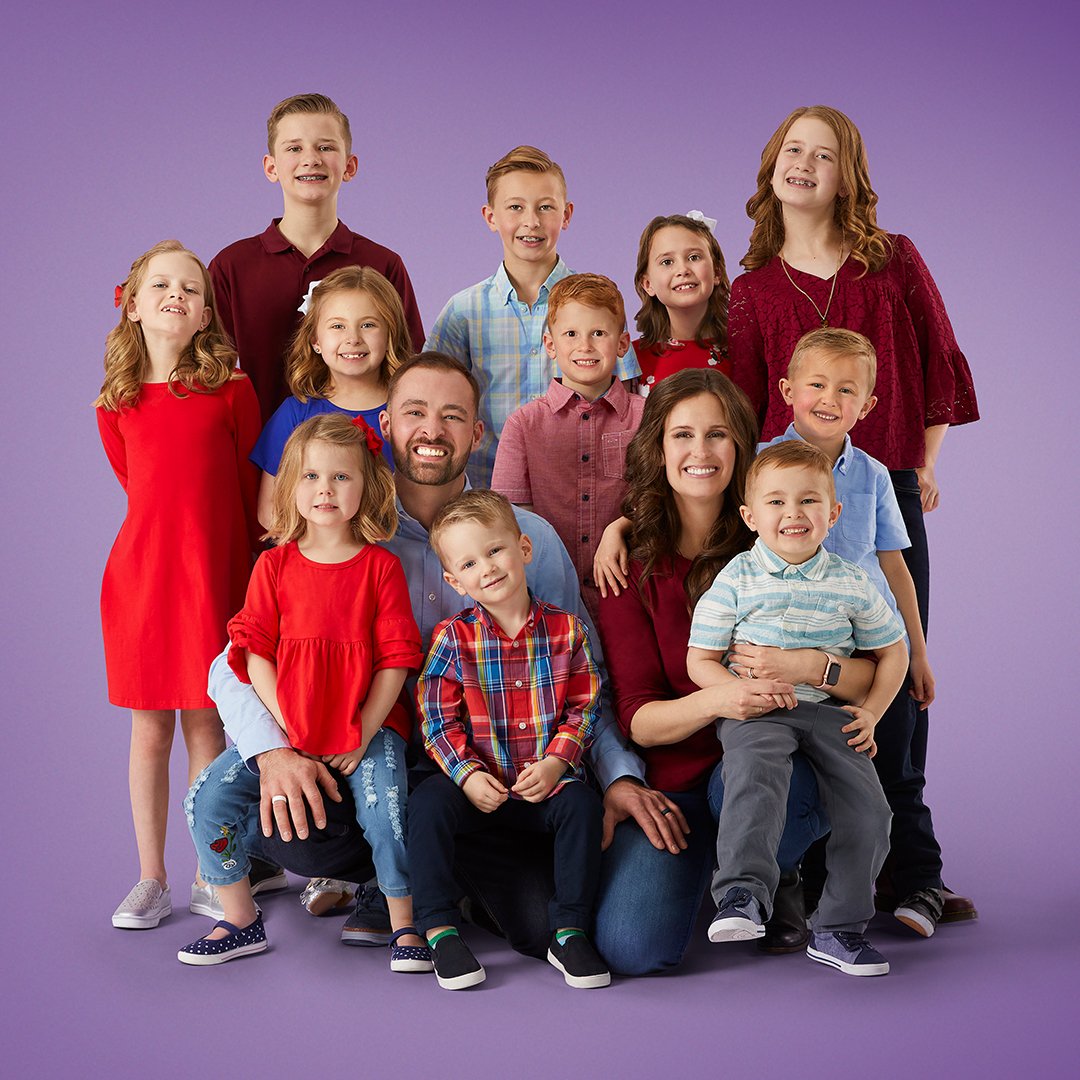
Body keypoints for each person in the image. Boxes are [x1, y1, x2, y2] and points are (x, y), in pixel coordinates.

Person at [194, 353, 682, 972]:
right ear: (387, 425)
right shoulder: (341, 534)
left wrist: (617, 776)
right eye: (415, 413)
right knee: (283, 818)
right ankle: (402, 886)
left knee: (590, 933)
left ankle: (443, 887)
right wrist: (273, 752)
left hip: (513, 775)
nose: (433, 430)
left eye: (453, 416)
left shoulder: (523, 536)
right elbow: (232, 663)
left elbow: (585, 675)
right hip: (384, 769)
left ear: (477, 433)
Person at [728, 104, 979, 922]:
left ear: (847, 177)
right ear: (772, 167)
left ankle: (913, 874)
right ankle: (802, 877)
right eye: (792, 150)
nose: (805, 163)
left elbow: (939, 357)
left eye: (824, 154)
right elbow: (739, 410)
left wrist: (925, 463)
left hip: (879, 486)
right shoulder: (755, 291)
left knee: (894, 688)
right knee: (796, 687)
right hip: (785, 509)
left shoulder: (892, 261)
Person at [595, 369, 877, 971]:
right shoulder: (628, 567)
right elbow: (639, 721)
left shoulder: (786, 543)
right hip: (674, 784)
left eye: (718, 435)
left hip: (773, 768)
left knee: (760, 784)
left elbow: (866, 679)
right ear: (658, 448)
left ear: (742, 448)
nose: (700, 452)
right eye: (682, 436)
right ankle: (733, 879)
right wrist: (723, 698)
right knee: (631, 947)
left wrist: (809, 666)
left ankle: (768, 875)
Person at [178, 415, 426, 967]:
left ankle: (407, 922)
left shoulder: (380, 569)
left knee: (388, 810)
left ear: (367, 487)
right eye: (312, 476)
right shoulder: (273, 565)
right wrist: (284, 724)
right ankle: (239, 918)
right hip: (288, 727)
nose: (325, 490)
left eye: (341, 477)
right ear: (292, 484)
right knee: (205, 799)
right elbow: (252, 651)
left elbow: (395, 660)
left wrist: (363, 729)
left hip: (362, 728)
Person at [688, 440, 907, 977]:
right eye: (777, 502)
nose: (793, 514)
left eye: (809, 501)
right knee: (755, 778)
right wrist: (738, 694)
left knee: (870, 810)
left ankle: (838, 928)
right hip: (759, 711)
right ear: (750, 516)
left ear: (833, 514)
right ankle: (742, 895)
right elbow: (701, 660)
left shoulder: (852, 581)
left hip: (830, 713)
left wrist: (873, 711)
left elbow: (893, 651)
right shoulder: (736, 578)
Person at [96, 240, 260, 931]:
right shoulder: (116, 404)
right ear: (132, 306)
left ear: (203, 316)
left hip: (214, 577)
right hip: (141, 584)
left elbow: (253, 489)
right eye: (159, 285)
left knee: (207, 724)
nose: (175, 295)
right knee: (148, 732)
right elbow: (140, 492)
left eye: (189, 289)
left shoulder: (232, 391)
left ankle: (209, 870)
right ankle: (150, 878)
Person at [765, 327, 948, 936]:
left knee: (895, 763)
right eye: (817, 384)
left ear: (867, 406)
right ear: (789, 390)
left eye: (846, 390)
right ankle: (820, 891)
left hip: (874, 646)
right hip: (799, 647)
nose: (829, 398)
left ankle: (921, 882)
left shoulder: (871, 474)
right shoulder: (764, 462)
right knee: (818, 769)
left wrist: (917, 653)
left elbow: (895, 564)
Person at [410, 490, 609, 990]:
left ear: (523, 548)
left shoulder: (567, 632)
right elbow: (436, 720)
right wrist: (467, 774)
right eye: (470, 563)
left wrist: (558, 763)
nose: (488, 568)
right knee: (428, 801)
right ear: (455, 581)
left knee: (582, 807)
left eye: (495, 550)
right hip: (479, 791)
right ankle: (437, 927)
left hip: (542, 788)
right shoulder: (452, 639)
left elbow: (585, 706)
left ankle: (569, 930)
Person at [424, 145, 639, 486]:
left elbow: (625, 402)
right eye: (515, 207)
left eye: (545, 207)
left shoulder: (600, 304)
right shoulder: (464, 311)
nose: (531, 221)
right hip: (486, 492)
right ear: (491, 217)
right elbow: (431, 397)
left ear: (566, 215)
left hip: (582, 494)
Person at [210, 93, 424, 421]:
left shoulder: (383, 265)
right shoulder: (231, 266)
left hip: (363, 459)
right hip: (261, 459)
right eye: (294, 148)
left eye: (325, 147)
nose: (311, 159)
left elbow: (408, 372)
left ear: (349, 166)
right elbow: (206, 371)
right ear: (271, 167)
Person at [492, 273, 643, 620]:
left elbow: (662, 499)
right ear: (549, 343)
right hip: (548, 599)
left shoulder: (646, 417)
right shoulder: (524, 425)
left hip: (630, 593)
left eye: (599, 334)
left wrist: (621, 527)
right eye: (571, 334)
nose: (584, 346)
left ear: (622, 344)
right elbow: (513, 520)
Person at [251, 266, 408, 528]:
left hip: (394, 560)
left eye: (368, 325)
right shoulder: (295, 414)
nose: (353, 339)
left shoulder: (408, 413)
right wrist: (327, 551)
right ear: (315, 340)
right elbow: (270, 510)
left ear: (390, 333)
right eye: (338, 326)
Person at [632, 212, 732, 397]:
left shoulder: (744, 351)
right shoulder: (632, 360)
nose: (683, 270)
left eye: (694, 257)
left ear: (717, 272)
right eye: (667, 262)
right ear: (648, 284)